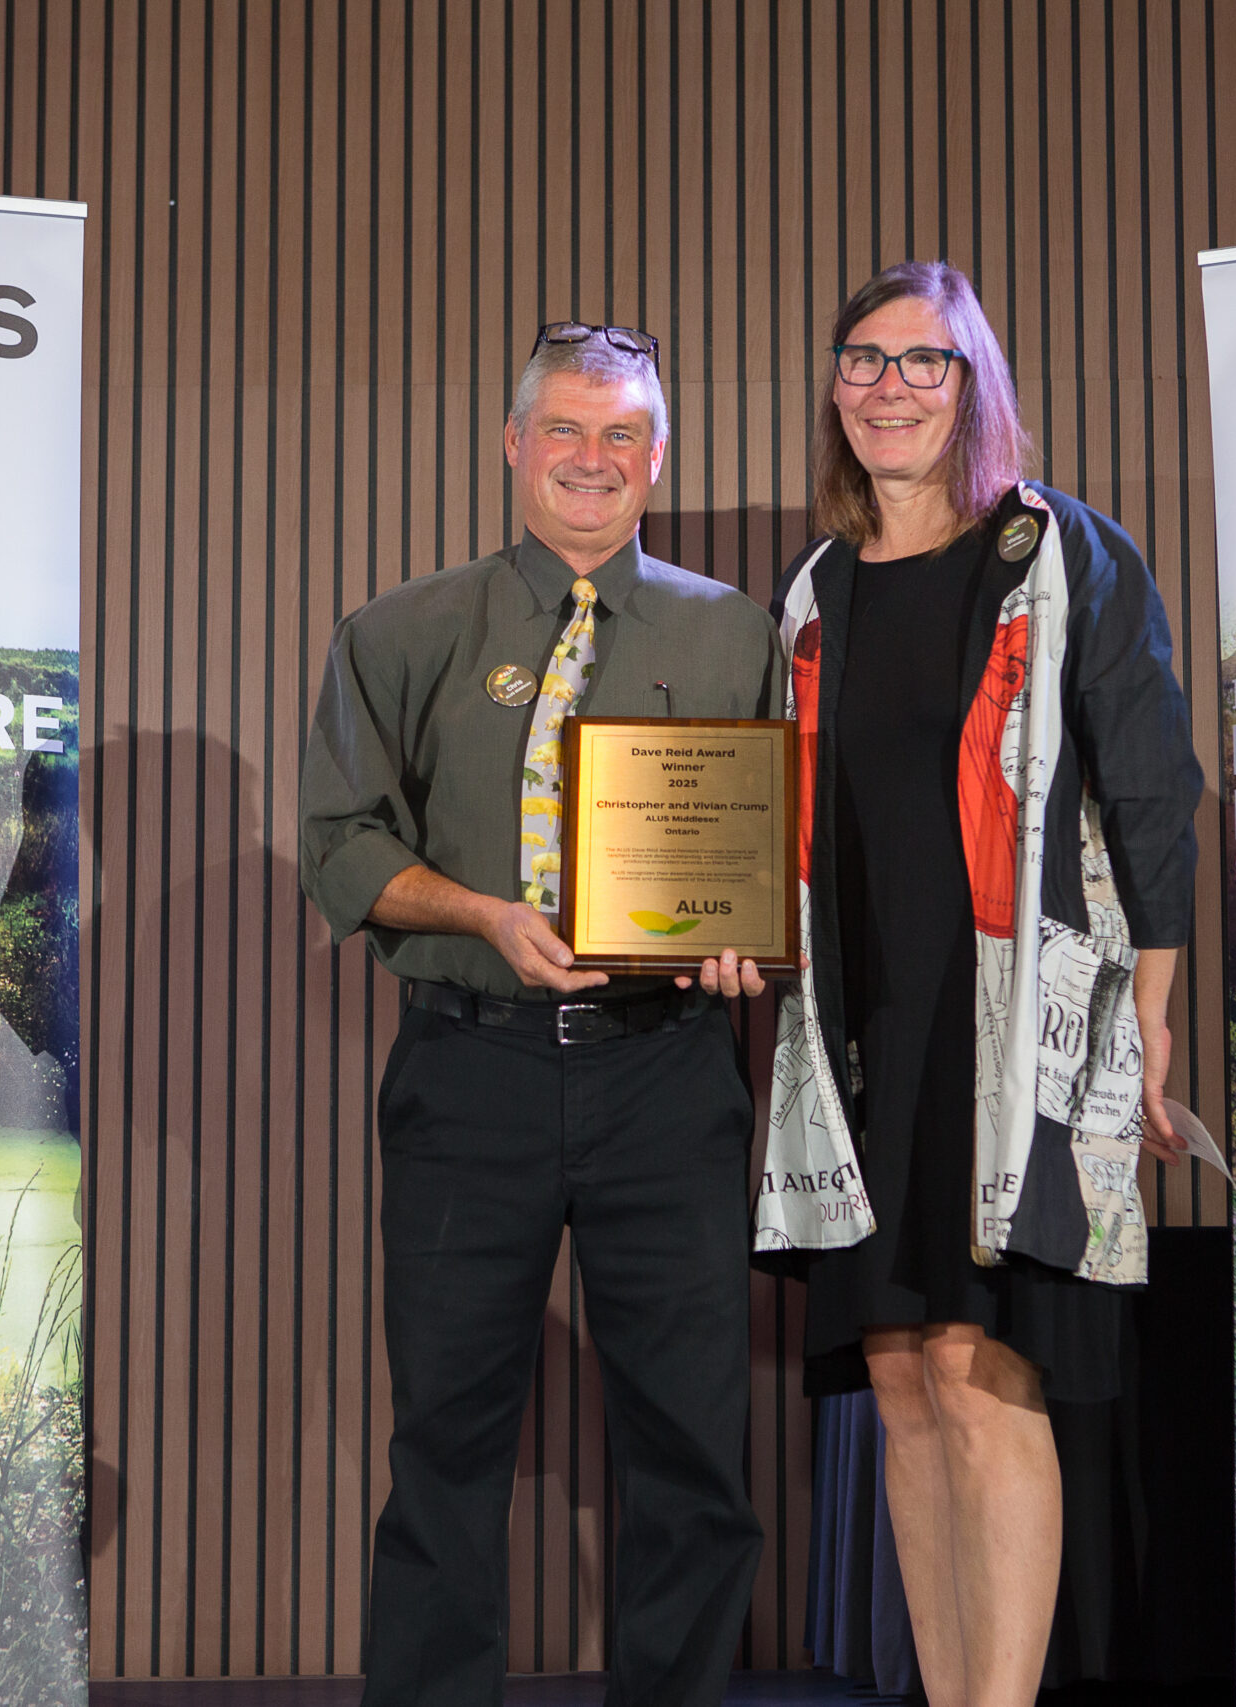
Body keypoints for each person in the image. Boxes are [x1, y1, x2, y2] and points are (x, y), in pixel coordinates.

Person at [299, 323, 783, 1707]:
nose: (591, 461)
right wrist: (487, 918)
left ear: (659, 456)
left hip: (669, 1079)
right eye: (565, 431)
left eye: (622, 435)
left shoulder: (732, 631)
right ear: (514, 444)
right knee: (447, 1444)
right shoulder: (400, 633)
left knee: (692, 1443)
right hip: (472, 1079)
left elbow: (775, 858)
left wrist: (745, 951)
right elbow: (342, 844)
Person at [754, 262, 1205, 1707]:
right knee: (901, 1380)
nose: (889, 387)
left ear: (976, 386)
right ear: (834, 388)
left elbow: (1152, 789)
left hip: (1016, 1024)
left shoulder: (1061, 551)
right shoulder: (813, 591)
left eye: (923, 362)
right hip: (864, 1027)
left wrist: (1152, 1011)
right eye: (862, 360)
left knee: (985, 1370)